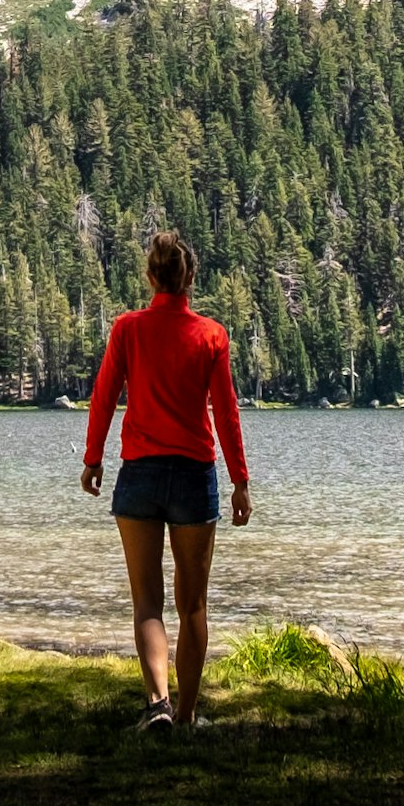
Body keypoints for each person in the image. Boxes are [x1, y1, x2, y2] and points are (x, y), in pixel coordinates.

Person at [80, 229, 252, 730]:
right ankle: (188, 716)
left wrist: (93, 459)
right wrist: (240, 480)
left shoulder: (128, 329)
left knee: (147, 602)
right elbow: (226, 412)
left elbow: (104, 396)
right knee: (193, 603)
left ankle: (158, 705)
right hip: (195, 478)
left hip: (140, 477)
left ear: (151, 276)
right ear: (189, 279)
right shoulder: (211, 335)